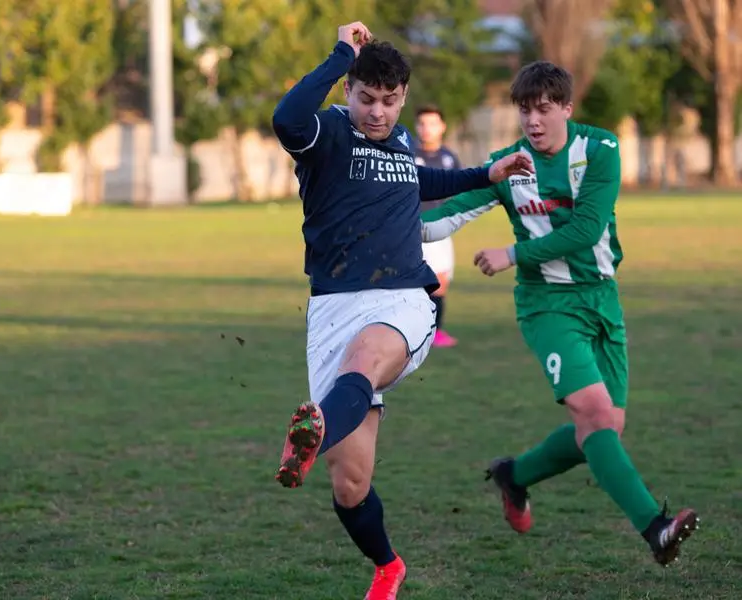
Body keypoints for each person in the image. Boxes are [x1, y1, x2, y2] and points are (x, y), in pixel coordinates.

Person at [270, 22, 533, 599]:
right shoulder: (329, 133)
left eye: (390, 102)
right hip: (333, 308)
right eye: (367, 98)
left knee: (365, 361)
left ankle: (310, 433)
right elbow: (286, 118)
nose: (378, 113)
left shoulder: (400, 140)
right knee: (350, 483)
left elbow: (417, 182)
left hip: (404, 299)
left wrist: (484, 176)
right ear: (348, 91)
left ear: (404, 98)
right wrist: (343, 54)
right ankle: (388, 565)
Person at [420, 60, 698, 567]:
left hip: (602, 300)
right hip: (547, 306)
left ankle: (515, 475)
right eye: (525, 111)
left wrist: (512, 253)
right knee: (593, 415)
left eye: (544, 109)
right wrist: (380, 221)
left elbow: (588, 230)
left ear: (567, 108)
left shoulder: (600, 150)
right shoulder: (507, 164)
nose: (533, 121)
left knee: (605, 427)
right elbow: (442, 219)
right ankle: (656, 530)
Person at [414, 104, 461, 347]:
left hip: (442, 229)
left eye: (432, 123)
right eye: (422, 123)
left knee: (441, 283)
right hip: (413, 230)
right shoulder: (408, 154)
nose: (427, 129)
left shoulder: (449, 158)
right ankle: (418, 331)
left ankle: (435, 332)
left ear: (442, 127)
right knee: (415, 284)